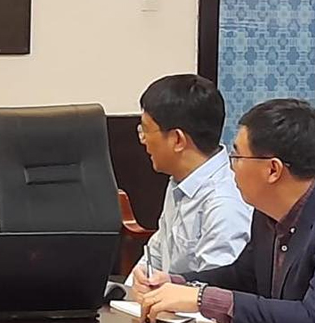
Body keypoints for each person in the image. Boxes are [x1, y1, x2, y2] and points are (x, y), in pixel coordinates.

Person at [135, 98, 315, 323]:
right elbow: (242, 277)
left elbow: (308, 315)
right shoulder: (266, 215)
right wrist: (176, 282)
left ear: (272, 169)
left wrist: (202, 299)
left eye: (237, 156)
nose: (231, 167)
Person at [129, 74, 251, 281]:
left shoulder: (225, 204)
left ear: (177, 139)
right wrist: (131, 289)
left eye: (146, 130)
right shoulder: (181, 181)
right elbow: (156, 253)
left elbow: (216, 292)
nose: (142, 139)